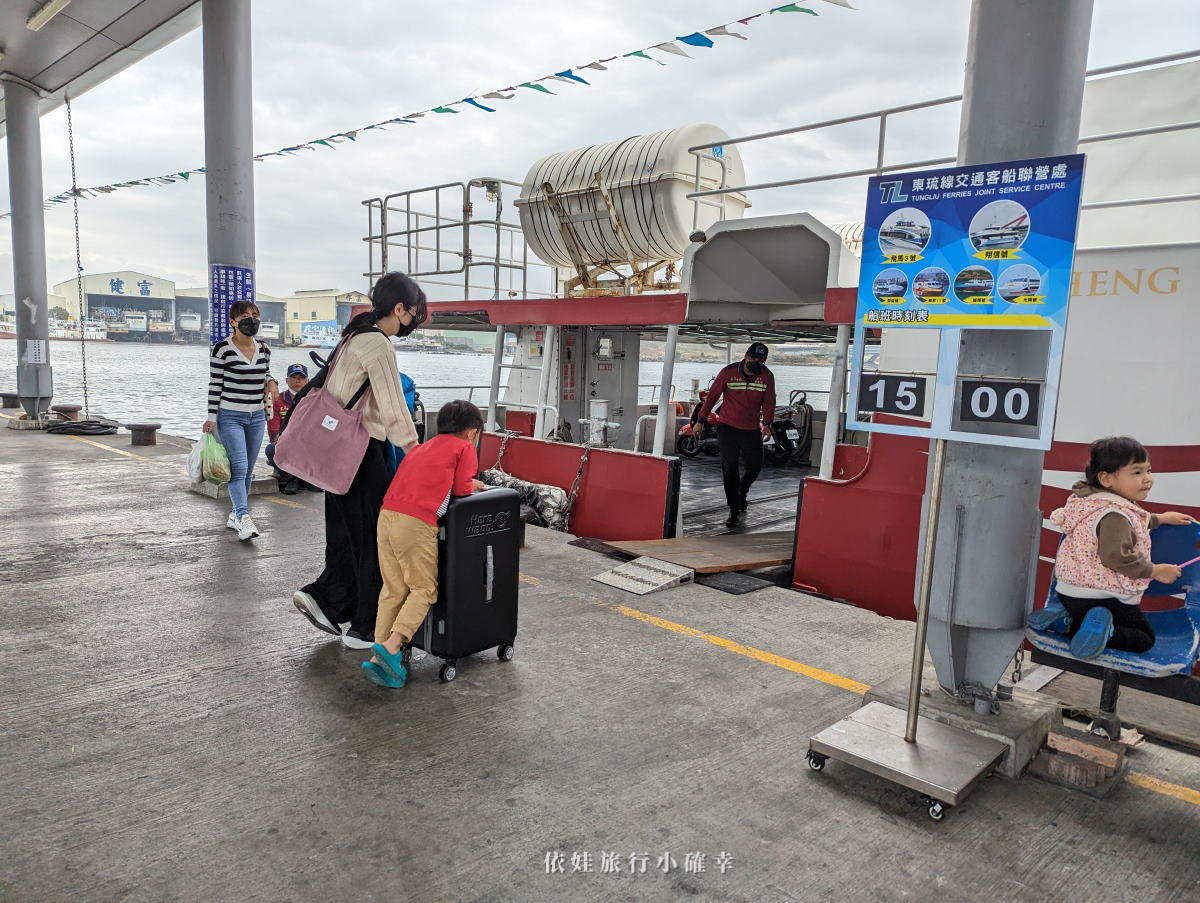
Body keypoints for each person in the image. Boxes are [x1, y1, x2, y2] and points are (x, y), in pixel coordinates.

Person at [291, 272, 425, 650]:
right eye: (412, 314)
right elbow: (395, 409)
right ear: (399, 309)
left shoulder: (353, 335)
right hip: (361, 453)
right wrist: (419, 455)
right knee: (375, 539)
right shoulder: (378, 344)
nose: (412, 321)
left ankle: (326, 600)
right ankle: (366, 628)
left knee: (346, 533)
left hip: (337, 453)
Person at [1031, 436, 1193, 659]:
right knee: (1144, 637)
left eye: (1148, 470)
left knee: (1091, 616)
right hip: (1104, 597)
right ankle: (1084, 629)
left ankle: (1065, 618)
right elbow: (1116, 557)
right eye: (1137, 472)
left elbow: (1133, 523)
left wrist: (1160, 519)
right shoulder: (1115, 515)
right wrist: (1155, 571)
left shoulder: (1090, 502)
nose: (1148, 479)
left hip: (1069, 594)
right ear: (1106, 478)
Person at [362, 400, 487, 688]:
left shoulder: (421, 448)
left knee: (393, 589)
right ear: (472, 432)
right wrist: (474, 484)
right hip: (415, 523)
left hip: (387, 517)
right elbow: (461, 488)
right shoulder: (464, 448)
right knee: (424, 589)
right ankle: (393, 647)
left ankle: (379, 657)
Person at [203, 301, 278, 541]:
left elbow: (265, 373)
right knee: (239, 467)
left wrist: (272, 380)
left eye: (255, 315)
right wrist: (211, 417)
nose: (252, 320)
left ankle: (236, 514)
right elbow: (215, 385)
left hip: (256, 415)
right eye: (245, 316)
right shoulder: (222, 349)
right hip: (230, 415)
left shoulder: (264, 348)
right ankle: (244, 518)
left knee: (247, 471)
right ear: (232, 321)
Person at [695, 342, 776, 528]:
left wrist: (767, 424)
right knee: (730, 468)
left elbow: (769, 401)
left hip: (751, 430)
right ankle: (734, 509)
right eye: (753, 358)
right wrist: (700, 420)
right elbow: (713, 396)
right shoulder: (728, 372)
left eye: (760, 360)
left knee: (755, 467)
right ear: (746, 356)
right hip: (728, 428)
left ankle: (742, 490)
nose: (756, 362)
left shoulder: (766, 377)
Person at [264, 363, 311, 494]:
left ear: (307, 380)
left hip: (308, 446)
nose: (298, 380)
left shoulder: (313, 400)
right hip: (286, 444)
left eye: (301, 377)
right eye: (294, 377)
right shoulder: (277, 400)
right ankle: (291, 479)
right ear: (286, 380)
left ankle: (307, 478)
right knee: (271, 449)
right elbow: (274, 434)